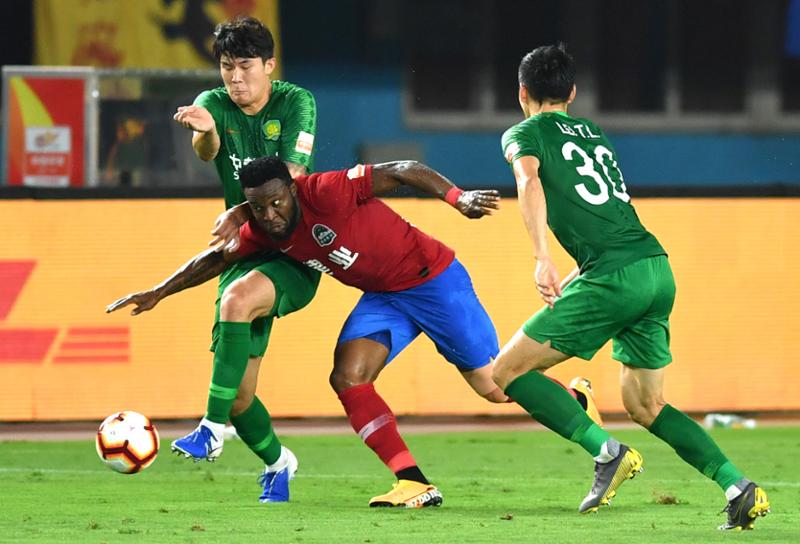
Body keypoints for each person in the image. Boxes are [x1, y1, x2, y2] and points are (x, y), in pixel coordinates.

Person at [492, 44, 770, 530]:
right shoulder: (594, 134)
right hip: (655, 269)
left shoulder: (523, 133)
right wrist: (581, 271)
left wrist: (542, 258)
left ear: (521, 93)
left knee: (507, 371)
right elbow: (607, 216)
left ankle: (607, 452)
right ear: (572, 93)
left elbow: (528, 180)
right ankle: (738, 487)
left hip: (615, 277)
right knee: (645, 404)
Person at [110, 16, 321, 503]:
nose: (236, 78)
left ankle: (210, 428)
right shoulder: (212, 103)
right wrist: (205, 132)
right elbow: (207, 152)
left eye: (246, 66)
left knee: (237, 300)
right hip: (245, 248)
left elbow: (293, 174)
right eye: (227, 67)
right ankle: (279, 463)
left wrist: (241, 210)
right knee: (241, 396)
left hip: (295, 246)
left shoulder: (296, 102)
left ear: (269, 65)